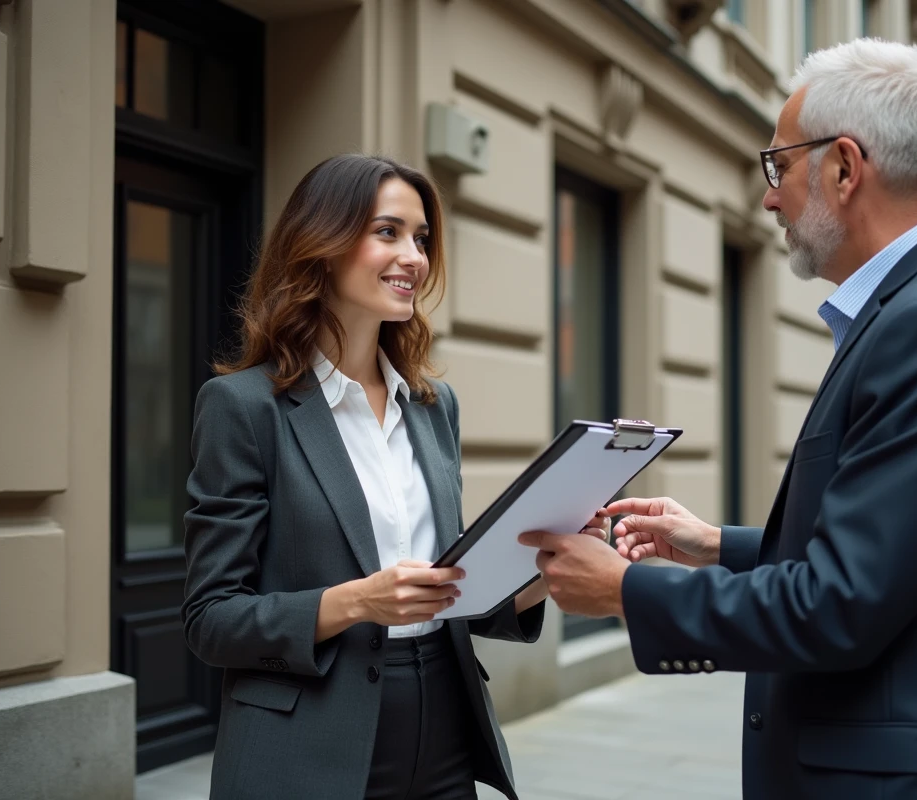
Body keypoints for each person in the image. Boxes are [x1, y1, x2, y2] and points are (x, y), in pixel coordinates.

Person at [519, 39, 917, 800]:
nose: (769, 197)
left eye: (779, 165)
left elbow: (841, 605)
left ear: (845, 168)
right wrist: (716, 547)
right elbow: (905, 556)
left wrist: (623, 591)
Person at [182, 153, 608, 800]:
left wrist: (539, 569)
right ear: (320, 245)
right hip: (308, 745)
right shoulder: (244, 408)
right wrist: (356, 602)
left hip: (442, 727)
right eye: (388, 232)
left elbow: (452, 591)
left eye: (421, 239)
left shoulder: (435, 408)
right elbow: (211, 619)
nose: (414, 256)